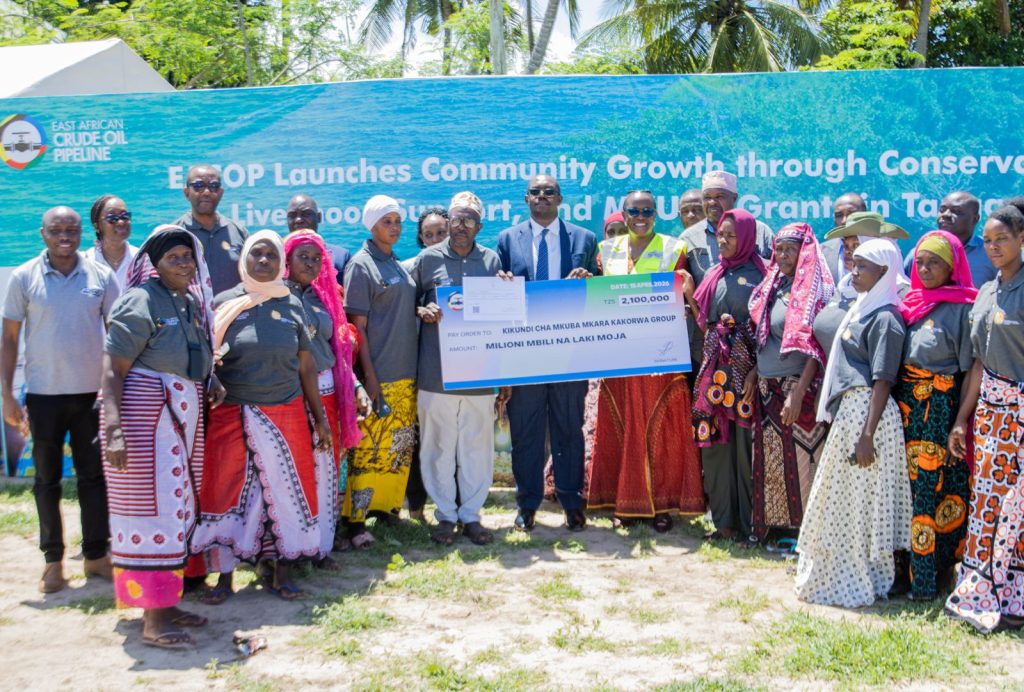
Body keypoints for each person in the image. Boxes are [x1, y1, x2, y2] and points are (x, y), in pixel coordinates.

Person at [189, 230, 331, 602]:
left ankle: (282, 573)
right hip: (231, 414)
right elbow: (207, 359)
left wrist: (319, 419)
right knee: (225, 494)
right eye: (257, 254)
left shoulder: (291, 304)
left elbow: (306, 365)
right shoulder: (224, 303)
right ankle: (224, 579)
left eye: (271, 255)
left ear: (280, 262)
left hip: (286, 413)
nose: (264, 260)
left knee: (287, 496)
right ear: (244, 260)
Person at [100, 225, 223, 649]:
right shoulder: (140, 300)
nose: (184, 264)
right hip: (144, 423)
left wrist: (209, 380)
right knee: (153, 515)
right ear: (154, 264)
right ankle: (153, 621)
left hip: (178, 421)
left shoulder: (189, 302)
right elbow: (113, 369)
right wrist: (114, 430)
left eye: (188, 257)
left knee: (177, 512)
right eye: (174, 258)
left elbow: (190, 356)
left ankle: (167, 605)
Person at [1, 206, 119, 593]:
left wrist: (116, 393)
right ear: (43, 234)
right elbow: (9, 338)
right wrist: (7, 394)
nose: (64, 236)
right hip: (43, 397)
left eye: (71, 229)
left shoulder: (100, 276)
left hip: (90, 396)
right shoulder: (24, 277)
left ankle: (96, 556)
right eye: (56, 230)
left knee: (93, 479)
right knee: (46, 481)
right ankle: (53, 561)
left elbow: (116, 336)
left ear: (82, 233)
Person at [796, 239, 911, 608]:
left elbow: (883, 380)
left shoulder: (887, 318)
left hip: (867, 417)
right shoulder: (863, 308)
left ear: (884, 272)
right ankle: (837, 568)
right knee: (843, 500)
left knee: (860, 504)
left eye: (863, 267)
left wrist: (867, 435)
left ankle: (861, 573)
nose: (854, 271)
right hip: (851, 412)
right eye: (854, 264)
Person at [588, 190, 703, 532]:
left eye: (647, 211)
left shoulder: (674, 249)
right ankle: (625, 502)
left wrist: (686, 297)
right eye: (634, 211)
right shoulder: (605, 250)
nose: (641, 217)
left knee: (660, 428)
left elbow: (686, 297)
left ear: (656, 214)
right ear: (623, 214)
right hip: (618, 355)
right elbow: (598, 298)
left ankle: (662, 504)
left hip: (660, 356)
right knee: (622, 426)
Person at [496, 175, 598, 532]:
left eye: (549, 192)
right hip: (524, 352)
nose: (542, 196)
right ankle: (527, 504)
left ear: (560, 199)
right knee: (527, 431)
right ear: (526, 199)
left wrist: (589, 280)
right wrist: (501, 284)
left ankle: (571, 502)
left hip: (569, 350)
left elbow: (598, 293)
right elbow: (498, 293)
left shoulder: (584, 239)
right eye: (536, 192)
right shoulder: (507, 239)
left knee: (568, 428)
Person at [945, 205, 1024, 634]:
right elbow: (977, 363)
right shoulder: (987, 290)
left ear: (1022, 238)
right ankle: (984, 589)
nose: (994, 247)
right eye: (989, 241)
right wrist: (962, 418)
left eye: (1003, 239)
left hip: (1021, 415)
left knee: (1018, 507)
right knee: (988, 503)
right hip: (989, 416)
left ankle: (1016, 595)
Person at [412, 192, 504, 545]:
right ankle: (446, 516)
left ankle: (471, 516)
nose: (461, 226)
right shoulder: (427, 259)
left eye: (468, 220)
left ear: (479, 226)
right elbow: (408, 304)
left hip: (480, 374)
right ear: (448, 223)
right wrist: (422, 311)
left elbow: (501, 317)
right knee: (438, 447)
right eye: (456, 219)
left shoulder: (492, 260)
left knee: (477, 448)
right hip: (436, 373)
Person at [890, 231, 977, 601]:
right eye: (921, 262)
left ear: (952, 267)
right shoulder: (908, 304)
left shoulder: (964, 308)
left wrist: (960, 420)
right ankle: (902, 573)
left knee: (930, 492)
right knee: (903, 491)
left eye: (934, 263)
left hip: (937, 409)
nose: (924, 269)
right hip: (904, 408)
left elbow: (972, 371)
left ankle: (926, 581)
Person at [747, 223, 834, 543]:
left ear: (805, 252)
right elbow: (764, 336)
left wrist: (797, 392)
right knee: (773, 460)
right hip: (768, 386)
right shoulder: (773, 284)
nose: (782, 255)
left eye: (790, 250)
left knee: (804, 459)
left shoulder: (815, 289)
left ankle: (808, 536)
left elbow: (816, 347)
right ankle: (778, 530)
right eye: (779, 249)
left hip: (799, 387)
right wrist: (755, 372)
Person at [284, 230, 365, 564]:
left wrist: (356, 387)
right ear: (287, 260)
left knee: (327, 471)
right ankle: (291, 547)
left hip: (329, 391)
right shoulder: (274, 296)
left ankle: (322, 546)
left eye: (316, 258)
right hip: (290, 395)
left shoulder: (327, 295)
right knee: (293, 470)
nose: (310, 263)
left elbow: (340, 351)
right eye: (302, 257)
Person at [342, 195, 419, 548]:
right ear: (371, 225)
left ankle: (387, 510)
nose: (394, 227)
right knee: (368, 450)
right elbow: (357, 328)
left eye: (398, 221)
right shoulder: (361, 265)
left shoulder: (396, 263)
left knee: (397, 447)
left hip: (406, 373)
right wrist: (369, 379)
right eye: (387, 221)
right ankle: (356, 522)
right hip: (379, 375)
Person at [690, 208, 767, 542]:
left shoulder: (763, 273)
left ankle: (751, 526)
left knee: (746, 448)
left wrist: (756, 371)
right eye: (720, 234)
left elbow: (769, 328)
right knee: (716, 445)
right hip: (714, 374)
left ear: (747, 237)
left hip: (747, 372)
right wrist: (688, 291)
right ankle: (723, 523)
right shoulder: (714, 273)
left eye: (731, 235)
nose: (722, 240)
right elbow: (704, 322)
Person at [402, 205, 449, 522]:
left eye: (441, 233)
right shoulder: (407, 270)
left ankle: (452, 506)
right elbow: (395, 314)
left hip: (455, 371)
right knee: (418, 440)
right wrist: (417, 311)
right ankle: (416, 508)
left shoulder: (463, 269)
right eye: (428, 234)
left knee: (449, 441)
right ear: (420, 238)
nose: (435, 239)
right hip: (416, 368)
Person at [813, 211, 910, 360]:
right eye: (846, 246)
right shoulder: (845, 286)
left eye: (856, 245)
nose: (848, 252)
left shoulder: (900, 294)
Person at [172, 164, 249, 295]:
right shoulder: (174, 234)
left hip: (233, 308)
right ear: (186, 192)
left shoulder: (239, 233)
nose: (206, 192)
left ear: (221, 192)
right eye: (198, 186)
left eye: (214, 186)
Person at [904, 192, 996, 288]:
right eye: (942, 210)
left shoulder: (990, 254)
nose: (946, 215)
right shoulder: (920, 253)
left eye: (957, 211)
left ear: (975, 219)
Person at [286, 193, 351, 282]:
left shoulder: (340, 258)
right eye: (292, 215)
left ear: (319, 217)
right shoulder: (279, 258)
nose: (298, 220)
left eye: (306, 214)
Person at [85, 194, 138, 290]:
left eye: (125, 216)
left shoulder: (140, 259)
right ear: (97, 226)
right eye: (112, 218)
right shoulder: (87, 261)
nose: (120, 222)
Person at [820, 192, 866, 283]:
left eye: (851, 214)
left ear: (864, 215)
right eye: (839, 215)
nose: (844, 220)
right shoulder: (821, 252)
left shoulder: (880, 250)